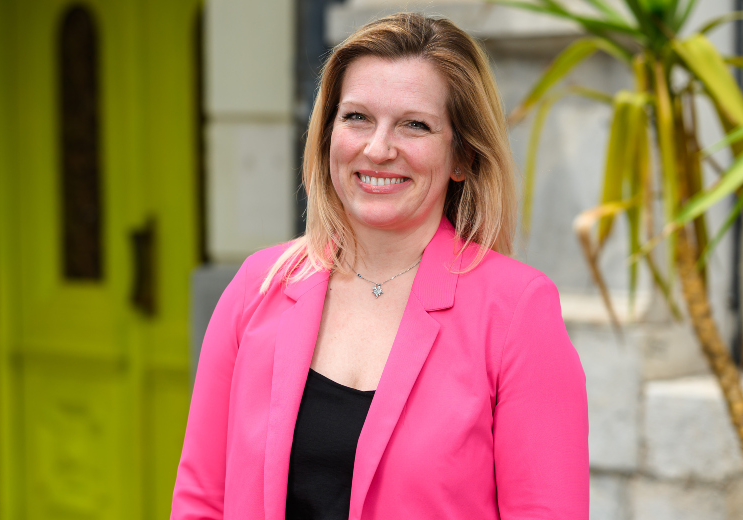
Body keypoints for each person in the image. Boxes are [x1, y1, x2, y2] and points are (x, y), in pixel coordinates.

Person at [172, 12, 588, 520]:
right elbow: (202, 500)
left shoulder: (516, 311)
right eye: (356, 117)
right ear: (327, 134)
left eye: (415, 125)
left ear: (462, 156)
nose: (377, 148)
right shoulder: (259, 287)